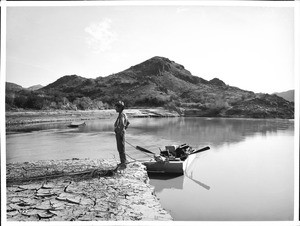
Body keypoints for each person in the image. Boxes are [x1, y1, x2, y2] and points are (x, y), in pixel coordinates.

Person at [114, 101, 130, 170]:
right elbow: (128, 123)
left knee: (120, 148)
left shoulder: (121, 115)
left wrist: (120, 131)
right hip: (121, 133)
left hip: (120, 134)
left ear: (120, 108)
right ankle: (123, 162)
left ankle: (123, 163)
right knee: (121, 148)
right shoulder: (123, 114)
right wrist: (124, 130)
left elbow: (123, 124)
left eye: (116, 107)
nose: (115, 109)